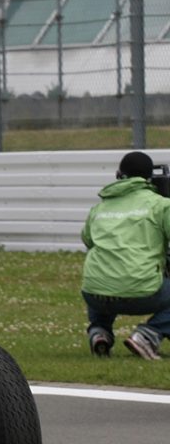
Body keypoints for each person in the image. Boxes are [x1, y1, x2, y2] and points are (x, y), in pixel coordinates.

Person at [81, 151, 170, 359]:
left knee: (103, 275)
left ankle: (99, 332)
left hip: (94, 294)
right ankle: (148, 336)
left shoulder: (99, 208)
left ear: (119, 175)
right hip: (142, 292)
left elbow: (87, 240)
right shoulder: (160, 205)